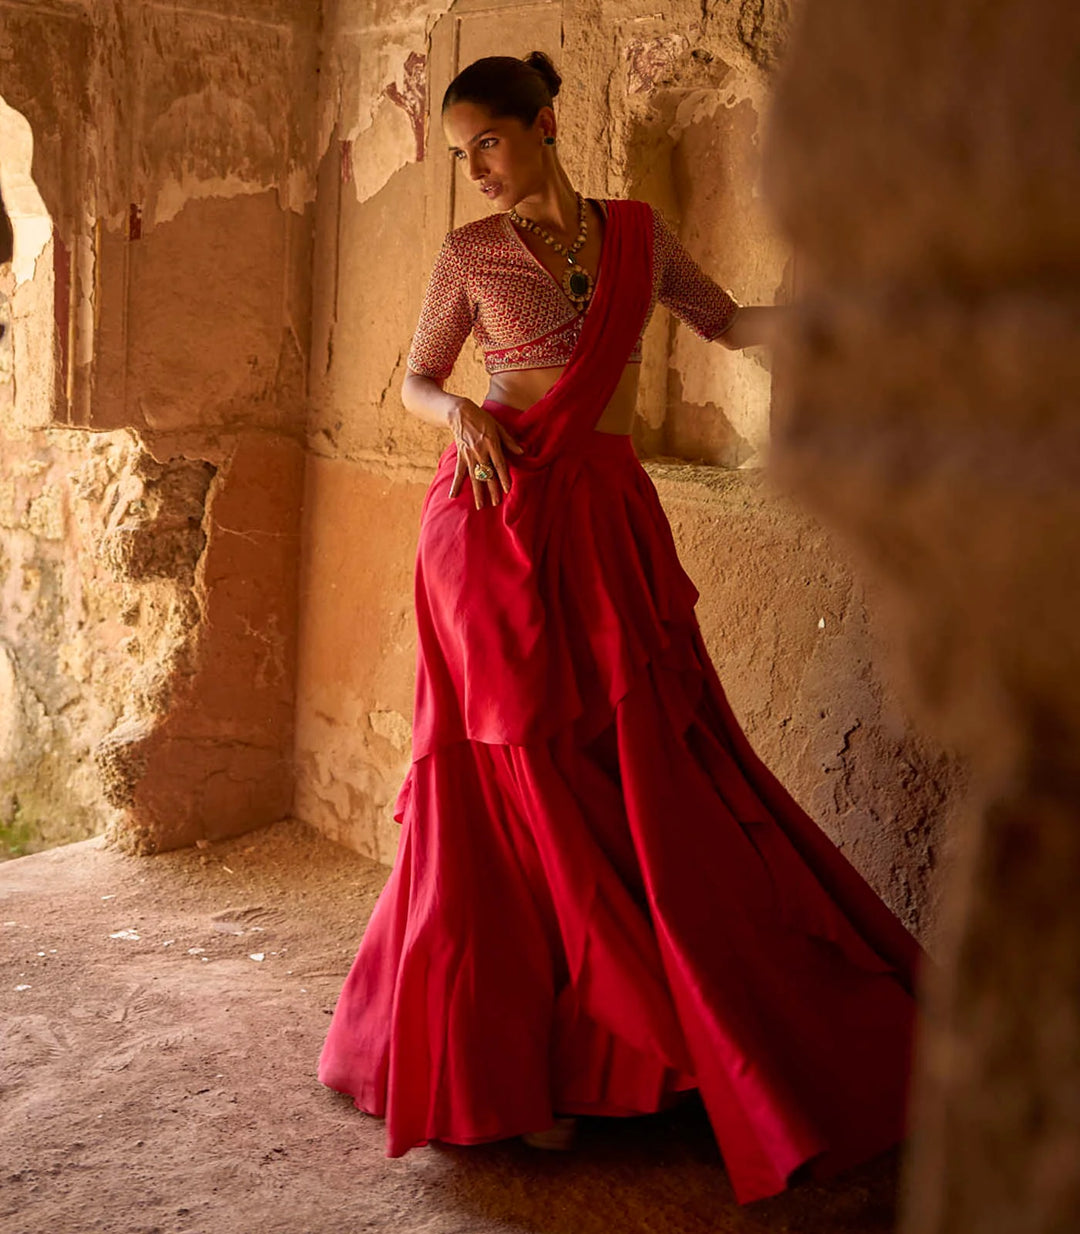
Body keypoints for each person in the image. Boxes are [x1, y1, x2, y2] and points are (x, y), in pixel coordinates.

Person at [317, 50, 931, 1207]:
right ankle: (514, 1066)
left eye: (490, 143)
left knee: (641, 770)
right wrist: (459, 419)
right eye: (461, 156)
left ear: (545, 124)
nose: (480, 173)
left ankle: (622, 1046)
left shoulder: (640, 239)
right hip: (488, 531)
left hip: (604, 524)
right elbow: (415, 380)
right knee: (515, 778)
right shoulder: (468, 255)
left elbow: (731, 320)